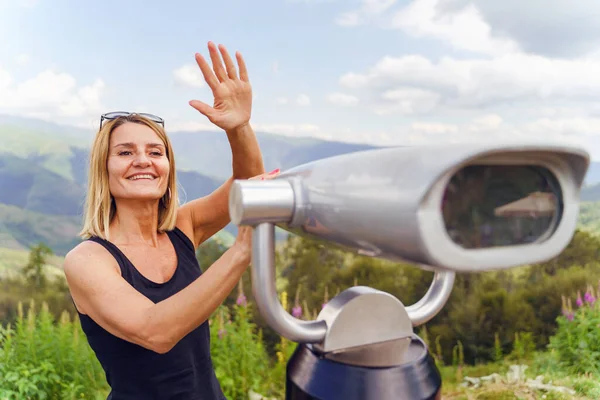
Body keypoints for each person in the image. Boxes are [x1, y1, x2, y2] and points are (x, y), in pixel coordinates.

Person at [63, 41, 277, 399]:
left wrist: (239, 128)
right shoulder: (88, 260)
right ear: (105, 170)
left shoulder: (183, 227)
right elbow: (155, 332)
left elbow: (247, 188)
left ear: (168, 167)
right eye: (125, 152)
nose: (143, 160)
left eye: (155, 151)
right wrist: (241, 251)